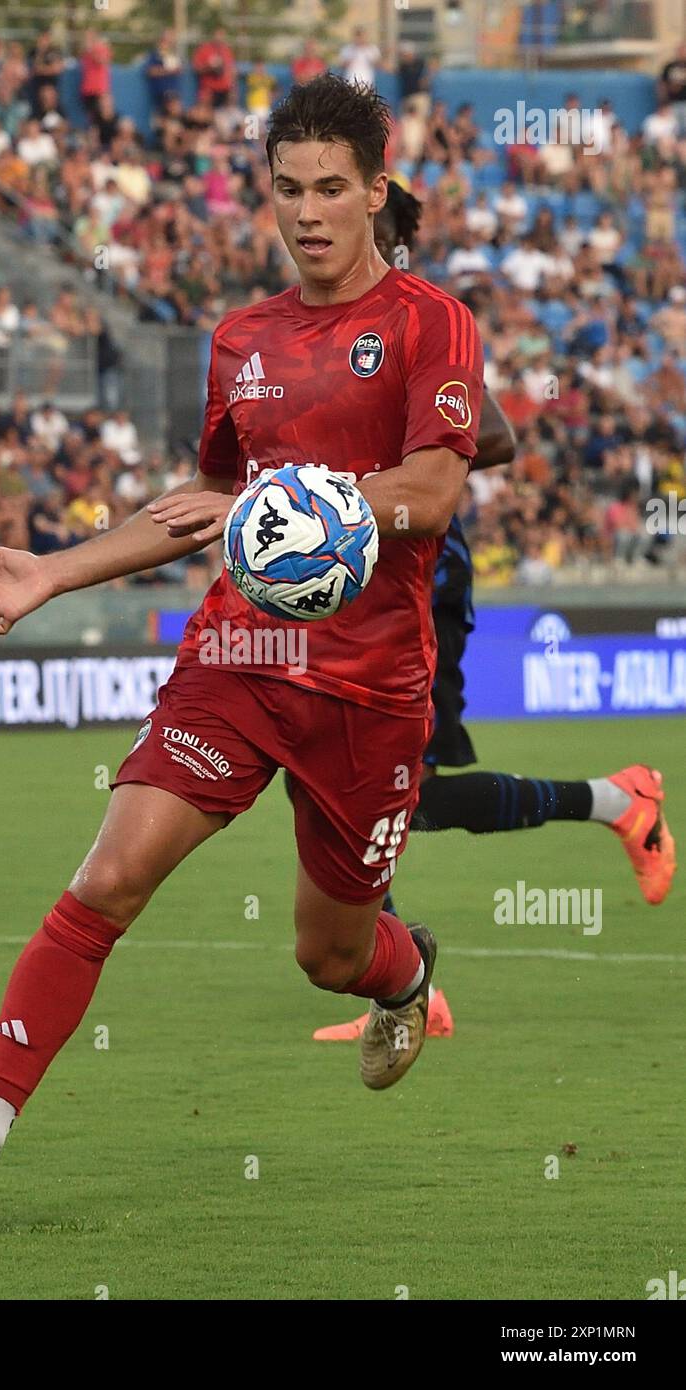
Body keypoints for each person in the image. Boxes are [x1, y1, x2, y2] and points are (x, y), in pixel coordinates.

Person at [0, 74, 487, 1215]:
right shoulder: (241, 341)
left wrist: (296, 507)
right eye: (284, 190)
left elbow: (428, 492)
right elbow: (207, 498)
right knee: (109, 876)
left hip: (369, 692)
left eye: (329, 189)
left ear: (375, 192)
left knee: (326, 953)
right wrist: (52, 572)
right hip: (239, 663)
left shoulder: (429, 323)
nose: (306, 212)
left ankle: (405, 972)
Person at [311, 180, 677, 1043]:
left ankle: (618, 801)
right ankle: (405, 988)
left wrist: (391, 472)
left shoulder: (419, 319)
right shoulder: (332, 326)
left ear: (384, 228)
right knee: (333, 773)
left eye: (342, 207)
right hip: (355, 579)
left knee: (409, 794)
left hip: (420, 580)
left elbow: (500, 436)